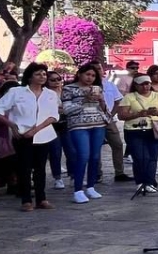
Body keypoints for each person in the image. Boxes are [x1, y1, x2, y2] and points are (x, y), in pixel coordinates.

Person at [0, 63, 61, 212]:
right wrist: (11, 124)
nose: (42, 77)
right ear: (30, 77)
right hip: (22, 135)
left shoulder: (50, 94)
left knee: (40, 168)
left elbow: (53, 116)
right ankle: (26, 199)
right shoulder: (16, 92)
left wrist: (36, 129)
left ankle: (41, 198)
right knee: (24, 168)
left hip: (43, 135)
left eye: (44, 74)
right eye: (38, 74)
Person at [59, 64, 108, 204]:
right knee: (83, 155)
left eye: (93, 75)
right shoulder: (69, 89)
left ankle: (91, 187)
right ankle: (78, 190)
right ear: (79, 74)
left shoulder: (98, 89)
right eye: (87, 74)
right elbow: (67, 110)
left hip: (98, 124)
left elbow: (104, 109)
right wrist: (84, 101)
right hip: (78, 125)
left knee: (95, 156)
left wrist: (101, 101)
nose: (90, 78)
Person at [117, 74, 158, 194]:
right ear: (136, 85)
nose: (146, 86)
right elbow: (121, 115)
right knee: (140, 157)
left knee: (152, 157)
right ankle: (140, 182)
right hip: (134, 130)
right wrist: (138, 114)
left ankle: (149, 182)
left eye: (147, 83)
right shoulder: (129, 97)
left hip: (155, 129)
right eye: (142, 84)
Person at [89, 61, 128, 183]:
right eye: (94, 69)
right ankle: (97, 173)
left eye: (99, 68)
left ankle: (119, 172)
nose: (97, 71)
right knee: (96, 147)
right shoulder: (88, 86)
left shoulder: (110, 85)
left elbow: (118, 101)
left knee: (117, 144)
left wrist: (111, 115)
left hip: (109, 119)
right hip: (93, 120)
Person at [46, 70, 69, 189]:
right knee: (55, 152)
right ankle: (58, 178)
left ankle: (74, 175)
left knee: (71, 151)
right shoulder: (46, 93)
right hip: (52, 125)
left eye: (58, 79)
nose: (56, 82)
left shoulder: (66, 92)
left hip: (67, 124)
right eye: (53, 80)